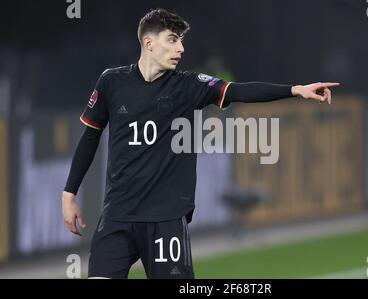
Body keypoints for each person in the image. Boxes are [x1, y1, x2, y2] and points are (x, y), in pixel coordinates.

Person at [62, 8, 340, 279]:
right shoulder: (112, 82)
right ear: (148, 43)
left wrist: (295, 90)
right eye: (172, 40)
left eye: (181, 41)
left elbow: (239, 91)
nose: (180, 48)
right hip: (118, 215)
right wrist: (69, 194)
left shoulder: (188, 86)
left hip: (165, 219)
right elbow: (90, 136)